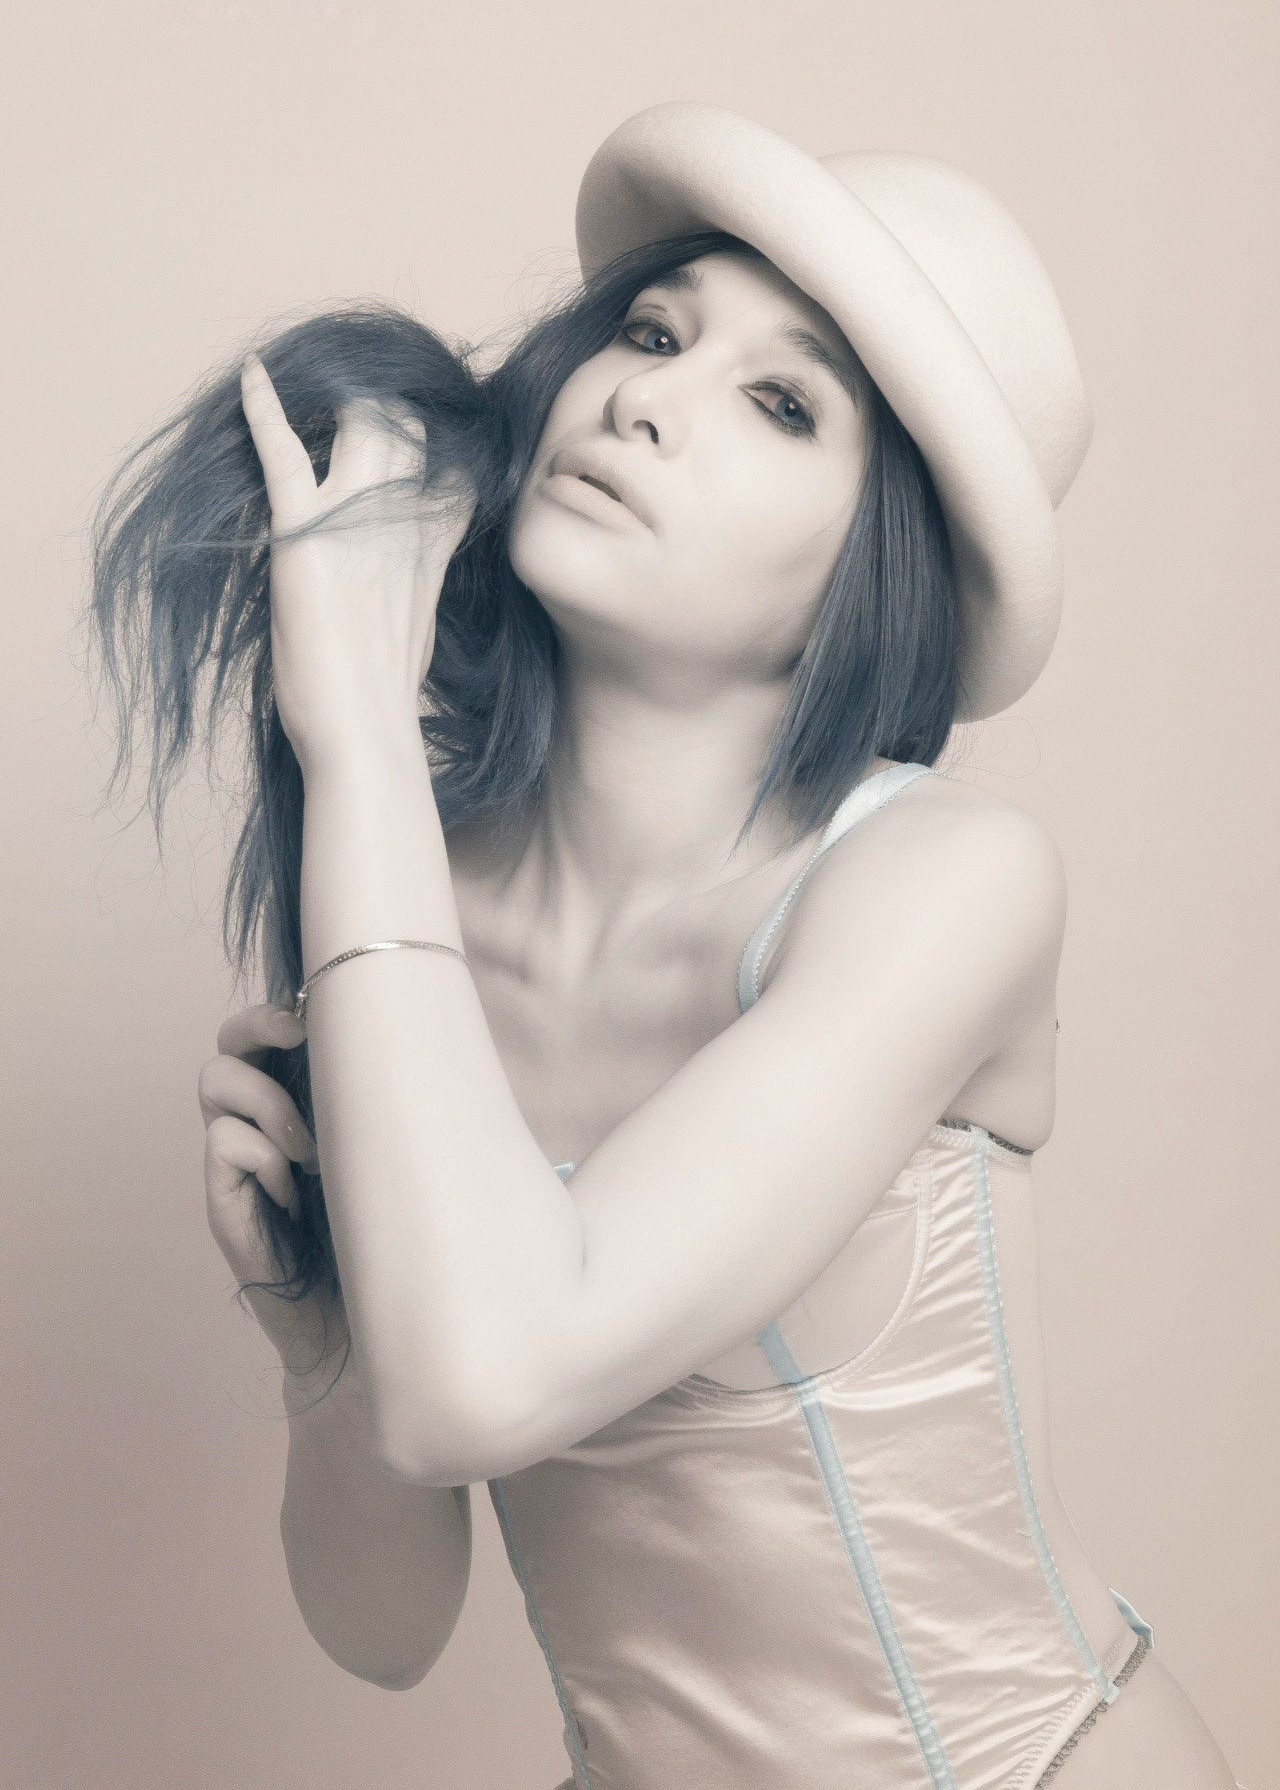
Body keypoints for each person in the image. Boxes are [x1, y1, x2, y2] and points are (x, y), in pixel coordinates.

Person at [85, 103, 1243, 1789]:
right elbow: (383, 1630)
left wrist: (358, 732)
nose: (643, 399)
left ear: (877, 569)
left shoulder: (940, 881)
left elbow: (487, 1380)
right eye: (650, 331)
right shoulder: (410, 910)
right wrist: (320, 1354)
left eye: (783, 404)